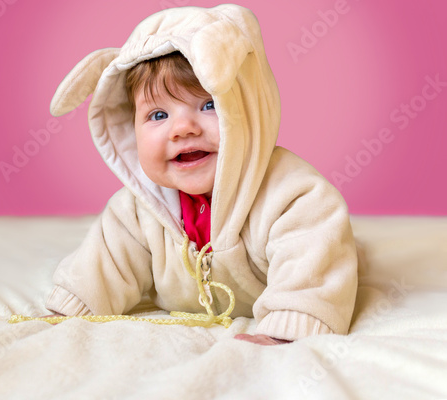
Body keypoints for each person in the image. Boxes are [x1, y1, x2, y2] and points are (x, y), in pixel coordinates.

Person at [45, 4, 358, 346]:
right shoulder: (135, 211)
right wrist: (71, 310)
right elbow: (101, 269)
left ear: (247, 110)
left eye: (209, 105)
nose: (182, 129)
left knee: (326, 247)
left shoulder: (294, 196)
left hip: (282, 303)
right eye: (158, 114)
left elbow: (311, 266)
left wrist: (289, 328)